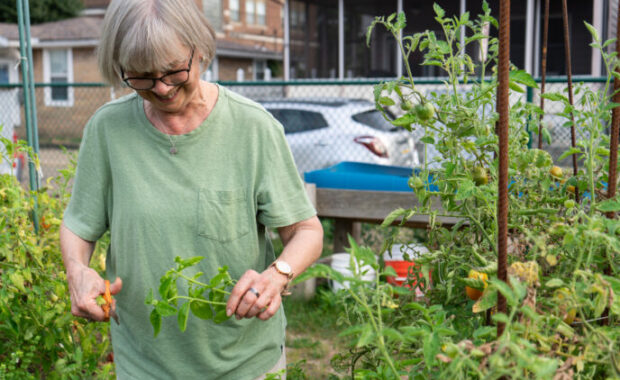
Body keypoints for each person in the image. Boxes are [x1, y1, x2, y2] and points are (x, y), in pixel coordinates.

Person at [59, 0, 323, 378]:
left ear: (199, 51)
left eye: (173, 70)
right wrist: (76, 269)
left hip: (245, 363)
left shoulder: (253, 129)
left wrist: (277, 274)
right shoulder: (108, 130)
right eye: (142, 77)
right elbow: (79, 225)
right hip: (143, 363)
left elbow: (307, 232)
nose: (163, 88)